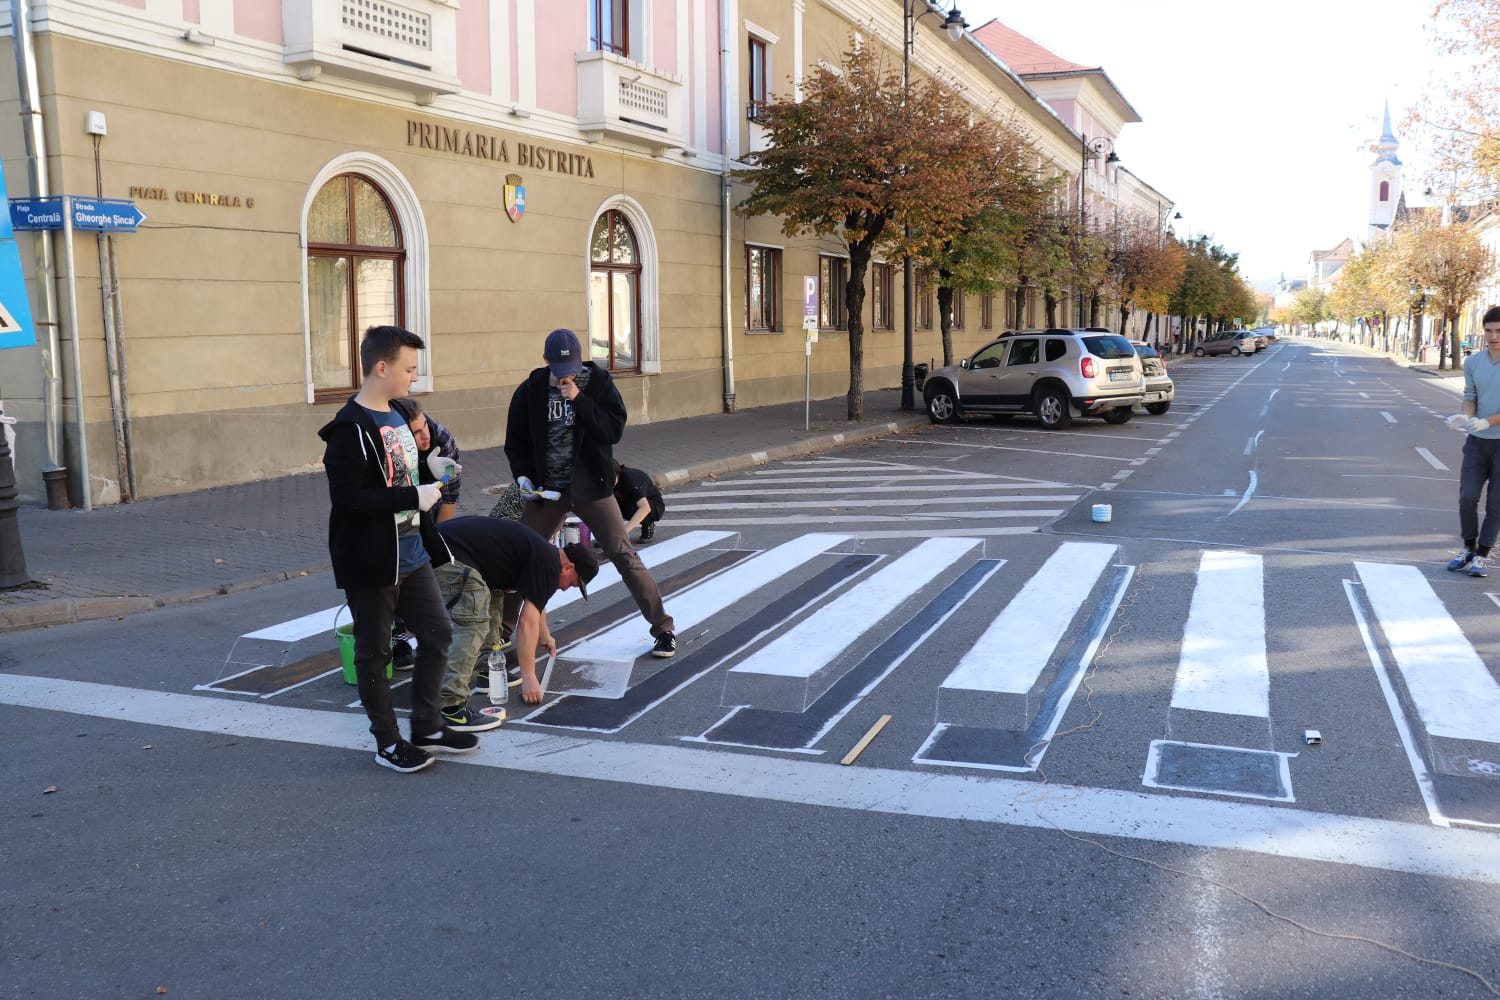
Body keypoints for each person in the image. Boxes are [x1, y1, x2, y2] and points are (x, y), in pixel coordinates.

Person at [318, 324, 477, 774]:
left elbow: (398, 479)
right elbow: (348, 502)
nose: (414, 376)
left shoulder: (397, 415)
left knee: (438, 633)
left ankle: (425, 726)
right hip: (372, 560)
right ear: (381, 367)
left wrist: (427, 477)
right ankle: (387, 742)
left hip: (411, 552)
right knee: (374, 653)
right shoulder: (349, 430)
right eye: (408, 368)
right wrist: (413, 497)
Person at [502, 328, 677, 657]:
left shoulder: (597, 384)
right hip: (548, 491)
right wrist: (523, 477)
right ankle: (502, 631)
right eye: (558, 369)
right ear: (545, 361)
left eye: (570, 369)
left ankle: (663, 628)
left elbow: (613, 430)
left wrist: (580, 401)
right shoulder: (531, 390)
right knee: (520, 555)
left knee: (623, 553)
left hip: (591, 487)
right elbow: (516, 442)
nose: (565, 375)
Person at [434, 516, 599, 717]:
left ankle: (489, 668)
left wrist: (545, 635)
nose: (565, 589)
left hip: (446, 544)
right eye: (573, 583)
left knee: (493, 599)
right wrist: (529, 676)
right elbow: (527, 622)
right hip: (448, 552)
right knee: (474, 621)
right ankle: (451, 706)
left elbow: (537, 601)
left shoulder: (546, 556)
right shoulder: (549, 565)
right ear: (569, 567)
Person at [1446, 306, 1500, 579]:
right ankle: (1468, 547)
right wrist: (1465, 417)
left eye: (1499, 331)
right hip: (1477, 442)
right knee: (1467, 497)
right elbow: (1470, 396)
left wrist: (1487, 422)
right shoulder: (1473, 363)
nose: (1494, 336)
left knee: (1495, 504)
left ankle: (1482, 555)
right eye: (1489, 330)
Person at [392, 397, 462, 523]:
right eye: (417, 432)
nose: (425, 435)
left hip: (432, 506)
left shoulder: (441, 439)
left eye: (425, 424)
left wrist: (438, 536)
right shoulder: (391, 447)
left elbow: (450, 496)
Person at [612, 459, 666, 542]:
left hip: (653, 506)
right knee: (606, 506)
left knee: (629, 509)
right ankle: (610, 535)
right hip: (627, 502)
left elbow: (645, 507)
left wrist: (623, 533)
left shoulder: (631, 479)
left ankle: (648, 524)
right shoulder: (606, 481)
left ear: (616, 474)